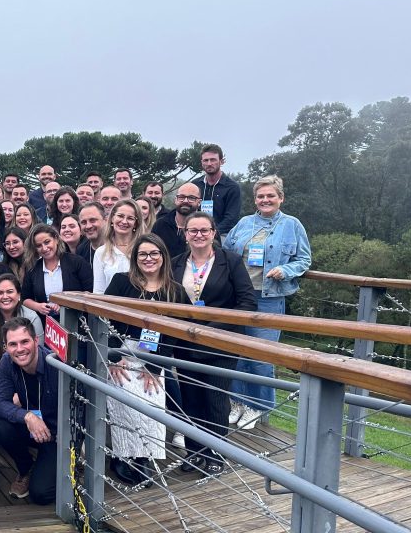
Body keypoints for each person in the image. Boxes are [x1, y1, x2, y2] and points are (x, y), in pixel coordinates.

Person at [223, 175, 311, 429]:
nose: (265, 200)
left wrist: (286, 270)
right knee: (237, 352)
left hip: (269, 298)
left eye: (270, 195)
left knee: (261, 357)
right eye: (260, 196)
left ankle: (256, 407)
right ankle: (237, 402)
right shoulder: (244, 223)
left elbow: (304, 259)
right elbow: (226, 252)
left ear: (280, 198)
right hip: (238, 297)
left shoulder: (292, 225)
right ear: (255, 200)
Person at [172, 212, 256, 475]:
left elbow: (247, 302)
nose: (198, 235)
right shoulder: (175, 263)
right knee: (191, 399)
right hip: (186, 342)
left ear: (213, 233)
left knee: (216, 400)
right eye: (193, 231)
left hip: (221, 342)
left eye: (204, 230)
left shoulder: (230, 261)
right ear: (185, 234)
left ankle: (216, 454)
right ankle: (194, 452)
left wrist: (212, 329)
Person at [103, 234, 186, 486]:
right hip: (121, 354)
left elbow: (173, 335)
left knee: (152, 403)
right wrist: (113, 357)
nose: (148, 258)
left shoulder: (175, 290)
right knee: (126, 403)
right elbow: (104, 319)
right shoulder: (121, 282)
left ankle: (143, 458)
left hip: (154, 357)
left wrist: (154, 368)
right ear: (135, 258)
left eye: (153, 253)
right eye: (142, 254)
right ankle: (122, 455)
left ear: (163, 256)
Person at [0, 317, 57, 504]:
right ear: (5, 347)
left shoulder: (54, 363)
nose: (19, 349)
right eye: (13, 344)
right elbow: (0, 402)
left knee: (41, 494)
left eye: (25, 342)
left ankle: (64, 464)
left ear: (36, 341)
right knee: (2, 428)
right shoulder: (7, 361)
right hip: (31, 427)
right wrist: (28, 417)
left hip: (56, 435)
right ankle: (26, 468)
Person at [0, 274, 43, 393]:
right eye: (0, 293)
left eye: (10, 291)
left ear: (19, 295)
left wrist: (21, 393)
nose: (5, 296)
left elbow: (37, 357)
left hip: (26, 381)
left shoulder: (32, 318)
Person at [22, 224, 93, 328]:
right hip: (47, 326)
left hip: (77, 324)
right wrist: (38, 306)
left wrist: (65, 306)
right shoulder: (32, 268)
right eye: (39, 245)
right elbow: (25, 298)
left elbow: (90, 292)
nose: (44, 248)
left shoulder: (77, 262)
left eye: (47, 242)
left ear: (56, 239)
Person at [92, 199, 144, 293]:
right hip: (110, 302)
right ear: (112, 218)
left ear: (136, 223)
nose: (124, 221)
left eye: (130, 218)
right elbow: (99, 292)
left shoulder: (143, 250)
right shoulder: (101, 252)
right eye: (120, 216)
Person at [193, 144, 242, 237]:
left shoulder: (232, 187)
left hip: (222, 234)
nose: (209, 163)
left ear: (221, 161)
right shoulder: (195, 185)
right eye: (206, 160)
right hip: (196, 233)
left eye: (213, 160)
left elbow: (231, 219)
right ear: (202, 162)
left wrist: (211, 233)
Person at [151, 182, 201, 261]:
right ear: (175, 200)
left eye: (191, 198)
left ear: (199, 202)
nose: (185, 201)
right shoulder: (160, 225)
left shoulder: (207, 228)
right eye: (181, 197)